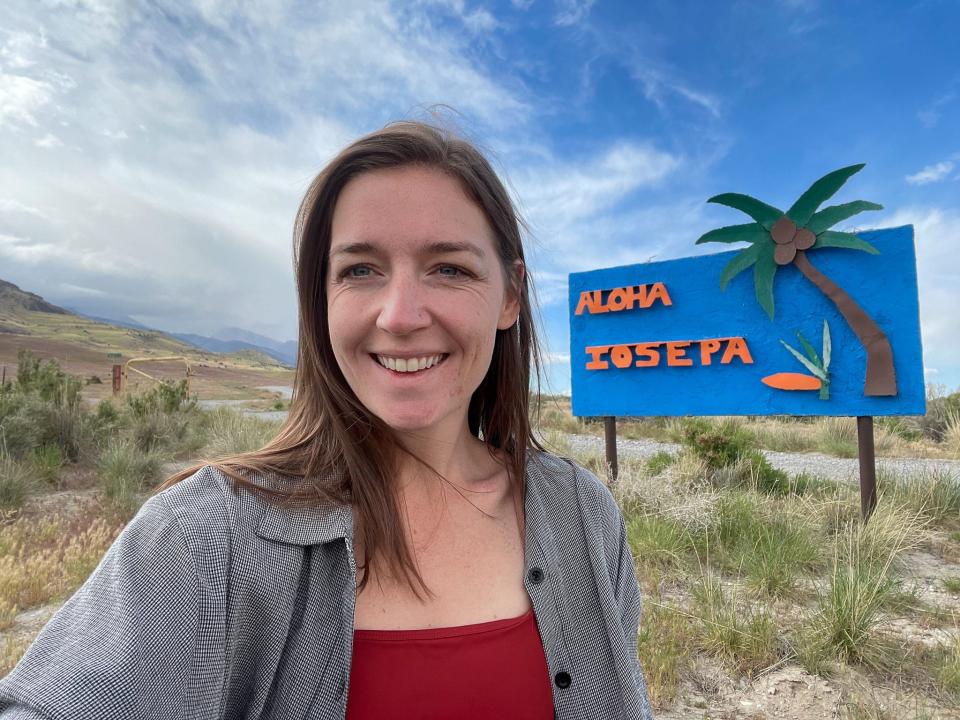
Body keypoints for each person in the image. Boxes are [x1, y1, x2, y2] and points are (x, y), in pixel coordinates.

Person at [0, 121, 654, 719]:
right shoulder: (209, 540)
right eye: (361, 269)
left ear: (510, 295)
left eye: (448, 269)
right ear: (321, 296)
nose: (399, 315)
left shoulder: (583, 518)